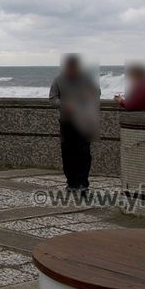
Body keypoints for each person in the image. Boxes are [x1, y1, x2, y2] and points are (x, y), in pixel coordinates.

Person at [49, 54, 101, 191]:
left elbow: (97, 93)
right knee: (67, 152)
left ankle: (83, 182)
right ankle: (71, 182)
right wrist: (64, 104)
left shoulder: (86, 78)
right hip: (66, 122)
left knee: (84, 151)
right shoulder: (58, 80)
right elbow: (52, 98)